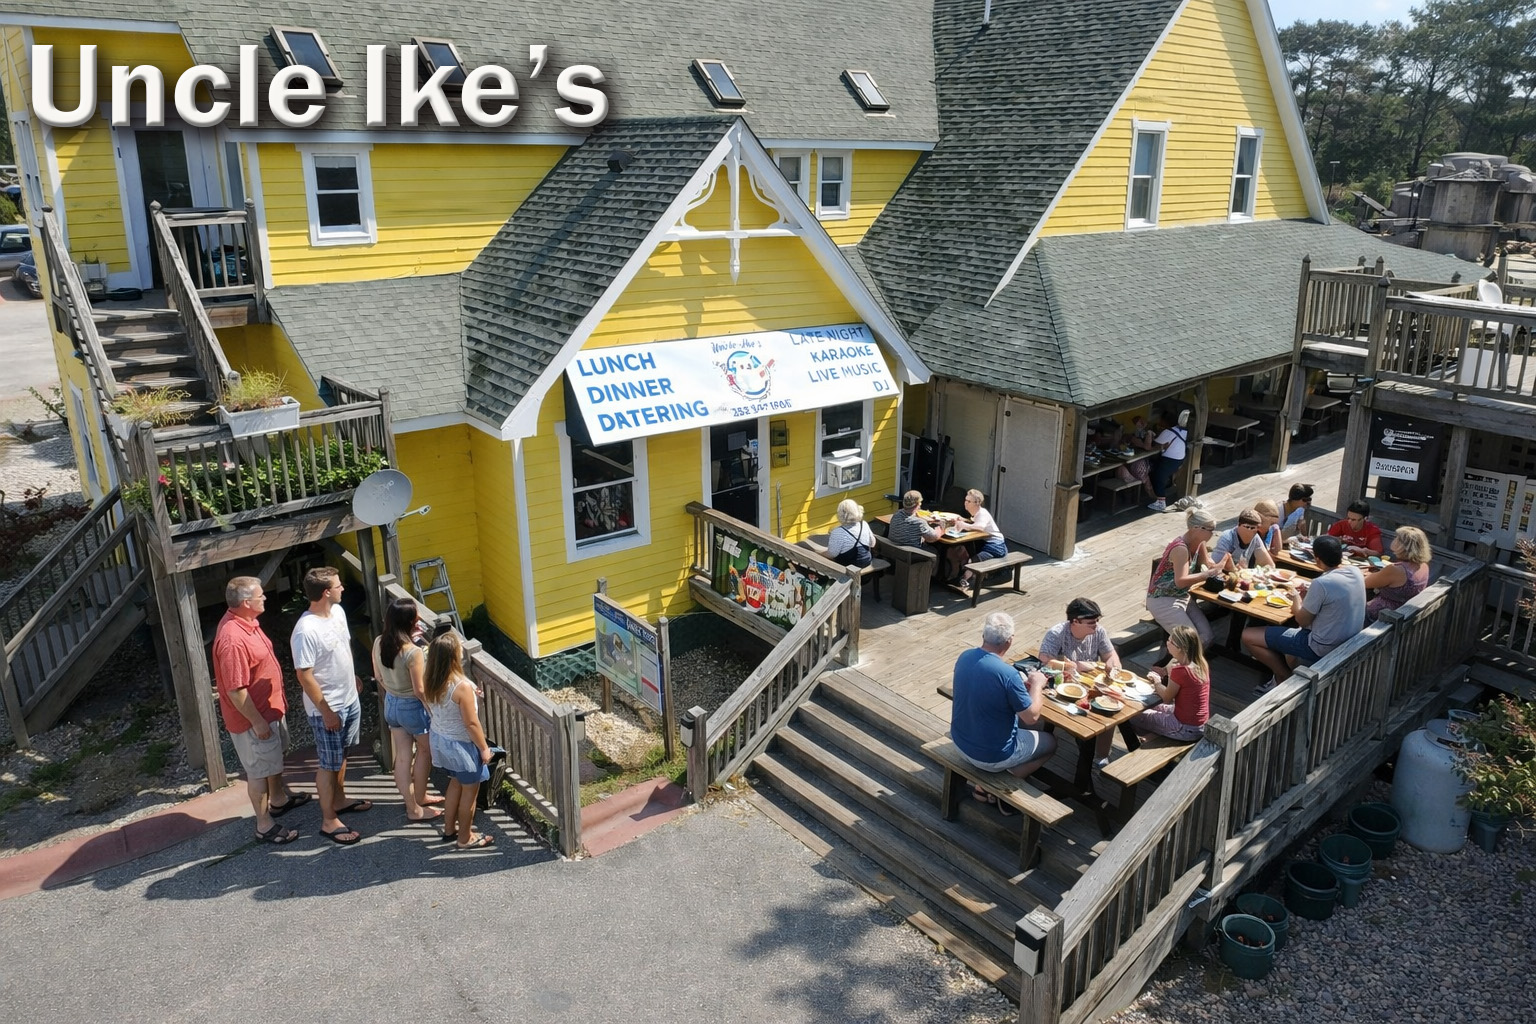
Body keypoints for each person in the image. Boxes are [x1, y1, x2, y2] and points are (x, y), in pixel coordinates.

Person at [212, 576, 307, 844]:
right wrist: (257, 722)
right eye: (260, 596)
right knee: (258, 772)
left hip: (269, 710)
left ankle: (278, 800)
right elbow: (235, 690)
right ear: (246, 602)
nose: (265, 598)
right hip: (254, 720)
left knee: (273, 759)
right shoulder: (232, 640)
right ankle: (264, 825)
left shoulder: (247, 622)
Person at [292, 566, 368, 846]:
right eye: (338, 586)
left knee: (343, 755)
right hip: (329, 707)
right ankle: (328, 820)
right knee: (328, 763)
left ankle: (339, 799)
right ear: (326, 592)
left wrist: (353, 675)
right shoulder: (305, 630)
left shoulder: (338, 612)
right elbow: (304, 675)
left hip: (349, 697)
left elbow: (342, 648)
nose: (343, 589)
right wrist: (326, 711)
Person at [950, 612, 1057, 798]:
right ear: (1010, 641)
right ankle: (997, 786)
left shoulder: (965, 656)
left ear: (983, 636)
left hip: (959, 743)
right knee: (1051, 742)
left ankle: (996, 781)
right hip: (991, 757)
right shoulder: (1009, 674)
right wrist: (1038, 684)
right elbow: (1031, 717)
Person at [1242, 534, 1366, 692]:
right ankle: (1285, 676)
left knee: (1248, 635)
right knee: (1287, 645)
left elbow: (1302, 620)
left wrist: (1295, 597)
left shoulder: (1321, 583)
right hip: (1348, 641)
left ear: (1317, 559)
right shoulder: (1355, 572)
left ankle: (1283, 678)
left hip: (1320, 647)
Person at [372, 597, 445, 822]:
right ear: (410, 621)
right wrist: (431, 710)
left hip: (391, 703)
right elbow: (419, 690)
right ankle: (418, 801)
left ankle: (412, 804)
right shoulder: (413, 652)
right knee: (425, 751)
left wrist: (392, 692)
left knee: (403, 757)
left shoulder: (378, 642)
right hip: (412, 707)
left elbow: (378, 677)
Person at [1095, 625, 1210, 765]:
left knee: (1129, 714)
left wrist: (1156, 682)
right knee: (1149, 708)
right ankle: (1153, 735)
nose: (1167, 643)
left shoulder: (1181, 671)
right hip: (1197, 723)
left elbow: (1167, 698)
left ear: (1180, 648)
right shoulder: (1200, 664)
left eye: (1170, 641)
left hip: (1184, 727)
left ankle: (1138, 746)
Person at [425, 630, 495, 849]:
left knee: (455, 783)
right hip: (461, 746)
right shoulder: (461, 687)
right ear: (454, 657)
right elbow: (471, 724)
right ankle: (465, 838)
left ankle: (449, 829)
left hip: (441, 740)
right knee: (470, 792)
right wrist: (484, 748)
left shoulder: (431, 679)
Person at [1145, 507, 1228, 650]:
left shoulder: (1200, 543)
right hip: (1163, 600)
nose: (1213, 534)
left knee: (1207, 637)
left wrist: (1222, 564)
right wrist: (1208, 574)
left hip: (1182, 596)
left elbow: (1206, 564)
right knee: (1191, 643)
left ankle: (1184, 665)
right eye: (1210, 530)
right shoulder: (1180, 549)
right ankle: (1170, 668)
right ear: (1196, 528)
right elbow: (1180, 580)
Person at [1040, 597, 1122, 681]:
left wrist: (1113, 664)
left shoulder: (1099, 632)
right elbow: (1045, 661)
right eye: (1091, 622)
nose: (1096, 625)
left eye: (1097, 620)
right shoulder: (1056, 633)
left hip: (1091, 680)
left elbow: (1110, 655)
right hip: (1063, 680)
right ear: (1075, 621)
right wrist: (1074, 666)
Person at [1364, 526, 1431, 623]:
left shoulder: (1396, 570)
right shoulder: (1424, 566)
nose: (1394, 540)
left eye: (1397, 538)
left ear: (1404, 546)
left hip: (1380, 617)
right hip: (1404, 614)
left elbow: (1364, 582)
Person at [950, 489, 1008, 595]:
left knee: (972, 561)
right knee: (969, 551)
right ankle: (964, 576)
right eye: (965, 500)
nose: (965, 503)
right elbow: (974, 522)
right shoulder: (977, 513)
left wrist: (964, 525)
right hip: (988, 543)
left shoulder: (982, 513)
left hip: (996, 546)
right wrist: (963, 520)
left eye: (969, 501)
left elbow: (980, 526)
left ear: (977, 503)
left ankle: (965, 581)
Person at [1147, 410, 1190, 512]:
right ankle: (1159, 496)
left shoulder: (1168, 432)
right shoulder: (1182, 430)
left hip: (1170, 459)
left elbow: (1155, 443)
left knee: (1158, 477)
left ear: (1165, 421)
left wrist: (1150, 434)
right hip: (1179, 458)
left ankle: (1161, 502)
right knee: (1158, 472)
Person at [1211, 508, 1275, 569]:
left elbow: (1269, 565)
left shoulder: (1255, 538)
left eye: (1253, 528)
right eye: (1247, 527)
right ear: (1239, 525)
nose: (1250, 531)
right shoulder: (1227, 538)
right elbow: (1215, 566)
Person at [825, 498, 874, 568]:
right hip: (866, 561)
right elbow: (872, 543)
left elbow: (832, 554)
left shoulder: (838, 532)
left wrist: (819, 553)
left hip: (848, 566)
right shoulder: (864, 524)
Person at [1115, 420, 1156, 501]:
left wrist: (1149, 433)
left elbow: (1147, 446)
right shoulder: (1131, 438)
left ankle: (1130, 495)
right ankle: (1130, 496)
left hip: (1134, 470)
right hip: (1132, 470)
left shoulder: (1136, 439)